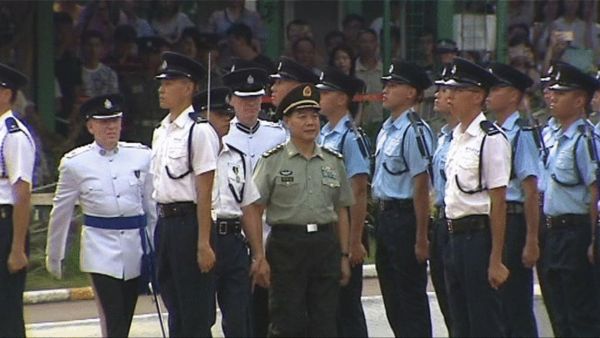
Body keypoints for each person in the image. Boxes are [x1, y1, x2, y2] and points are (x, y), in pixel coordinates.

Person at [45, 93, 156, 337]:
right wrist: (54, 256)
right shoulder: (75, 163)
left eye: (115, 121)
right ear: (90, 126)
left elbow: (151, 206)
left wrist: (156, 247)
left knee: (126, 314)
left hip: (135, 248)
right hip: (100, 248)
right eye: (104, 122)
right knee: (112, 313)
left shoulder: (142, 156)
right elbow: (61, 212)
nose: (111, 127)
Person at [253, 84, 353, 336]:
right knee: (287, 320)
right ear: (287, 121)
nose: (310, 122)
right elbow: (254, 209)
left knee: (325, 320)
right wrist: (259, 257)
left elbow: (341, 210)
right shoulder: (273, 160)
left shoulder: (333, 160)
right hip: (287, 245)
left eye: (314, 116)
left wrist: (343, 255)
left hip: (324, 243)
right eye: (302, 116)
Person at [151, 51, 219, 336]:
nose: (161, 89)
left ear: (189, 87)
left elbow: (205, 191)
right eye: (161, 83)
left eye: (169, 83)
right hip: (165, 224)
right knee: (174, 305)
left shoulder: (199, 131)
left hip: (189, 223)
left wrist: (203, 242)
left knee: (194, 310)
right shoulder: (160, 131)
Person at [191, 87, 268, 337]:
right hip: (203, 237)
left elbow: (248, 207)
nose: (227, 119)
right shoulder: (188, 157)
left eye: (228, 113)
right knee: (200, 317)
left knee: (239, 319)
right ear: (202, 116)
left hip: (233, 241)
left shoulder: (237, 157)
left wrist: (258, 254)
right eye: (220, 114)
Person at [443, 57, 510, 337]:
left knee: (483, 320)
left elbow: (498, 202)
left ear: (477, 96)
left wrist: (495, 258)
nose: (450, 96)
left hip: (477, 237)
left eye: (457, 91)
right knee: (459, 320)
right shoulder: (456, 136)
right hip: (453, 235)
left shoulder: (490, 139)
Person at [222, 66, 286, 337]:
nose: (250, 105)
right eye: (243, 99)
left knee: (272, 310)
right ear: (231, 101)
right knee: (238, 312)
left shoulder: (278, 136)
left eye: (255, 98)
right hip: (235, 231)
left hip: (271, 229)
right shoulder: (221, 136)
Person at [372, 60, 434, 337]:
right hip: (385, 217)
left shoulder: (414, 130)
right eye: (386, 84)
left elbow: (421, 185)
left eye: (393, 85)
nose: (386, 89)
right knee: (392, 295)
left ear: (411, 93)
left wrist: (421, 236)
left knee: (410, 297)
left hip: (406, 216)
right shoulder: (387, 128)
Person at [541, 61, 600, 337]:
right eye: (552, 92)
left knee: (580, 312)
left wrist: (592, 240)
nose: (552, 98)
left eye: (561, 94)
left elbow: (594, 191)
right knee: (558, 310)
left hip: (576, 231)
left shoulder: (585, 139)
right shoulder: (552, 136)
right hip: (552, 231)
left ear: (579, 100)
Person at [487, 63, 540, 337]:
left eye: (497, 88)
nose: (490, 94)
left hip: (515, 219)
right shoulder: (492, 132)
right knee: (498, 304)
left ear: (514, 96)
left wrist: (532, 239)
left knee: (516, 303)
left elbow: (531, 189)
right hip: (496, 218)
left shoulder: (521, 133)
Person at [317, 68, 370, 337]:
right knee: (330, 308)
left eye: (326, 93)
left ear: (341, 99)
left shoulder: (350, 137)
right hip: (327, 224)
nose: (320, 97)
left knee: (348, 308)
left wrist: (354, 241)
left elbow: (358, 191)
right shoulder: (324, 134)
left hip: (345, 224)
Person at [0, 63, 33, 338]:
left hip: (5, 224)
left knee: (7, 310)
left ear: (6, 94)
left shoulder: (13, 134)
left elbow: (22, 194)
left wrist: (17, 248)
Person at [429, 64, 456, 335]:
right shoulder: (444, 136)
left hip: (465, 224)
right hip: (440, 223)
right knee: (448, 299)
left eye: (446, 89)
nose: (438, 94)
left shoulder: (481, 137)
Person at [354, 29, 383, 126]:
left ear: (376, 44)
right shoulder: (352, 70)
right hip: (358, 123)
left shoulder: (384, 69)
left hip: (381, 122)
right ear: (357, 44)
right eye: (364, 42)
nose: (367, 45)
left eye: (371, 41)